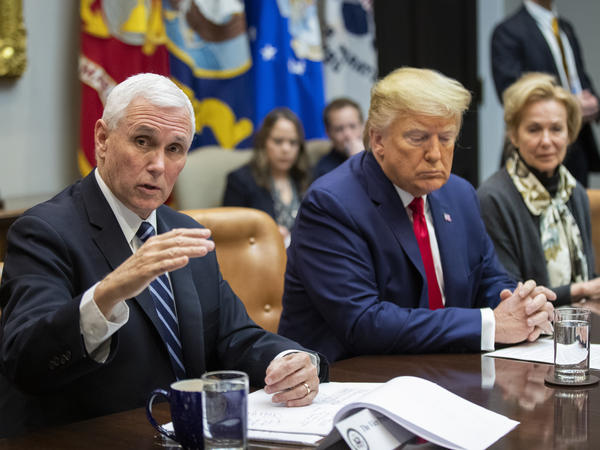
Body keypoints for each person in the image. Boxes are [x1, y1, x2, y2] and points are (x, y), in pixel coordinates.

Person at [0, 74, 327, 438]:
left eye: (174, 148)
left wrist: (289, 360)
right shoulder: (44, 231)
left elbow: (233, 336)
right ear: (103, 139)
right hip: (91, 438)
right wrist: (108, 293)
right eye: (143, 141)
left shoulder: (184, 230)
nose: (158, 164)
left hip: (189, 433)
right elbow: (24, 360)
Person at [277, 67, 555, 363]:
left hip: (446, 371)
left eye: (446, 138)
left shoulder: (459, 194)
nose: (435, 154)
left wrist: (522, 306)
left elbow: (489, 280)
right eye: (418, 138)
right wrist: (490, 324)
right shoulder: (331, 205)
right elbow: (364, 323)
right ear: (378, 140)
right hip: (352, 377)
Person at [478, 73, 598, 307]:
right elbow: (509, 294)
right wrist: (579, 290)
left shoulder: (575, 192)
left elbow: (587, 275)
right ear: (514, 135)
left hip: (579, 321)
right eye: (534, 129)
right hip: (528, 327)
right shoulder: (492, 198)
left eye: (556, 129)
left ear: (570, 133)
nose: (546, 141)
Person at [491, 0, 600, 186]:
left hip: (576, 146)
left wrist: (595, 103)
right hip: (533, 155)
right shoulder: (508, 31)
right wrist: (571, 104)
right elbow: (510, 93)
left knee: (577, 201)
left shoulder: (565, 28)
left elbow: (579, 78)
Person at [223, 107, 309, 244]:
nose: (286, 149)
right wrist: (264, 232)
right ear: (264, 142)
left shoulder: (304, 177)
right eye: (278, 141)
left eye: (293, 142)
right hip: (260, 253)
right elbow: (229, 232)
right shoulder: (240, 180)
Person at [312, 97, 364, 180]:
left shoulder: (379, 155)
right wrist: (357, 162)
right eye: (339, 129)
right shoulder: (324, 170)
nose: (347, 134)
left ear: (362, 127)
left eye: (352, 126)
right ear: (328, 133)